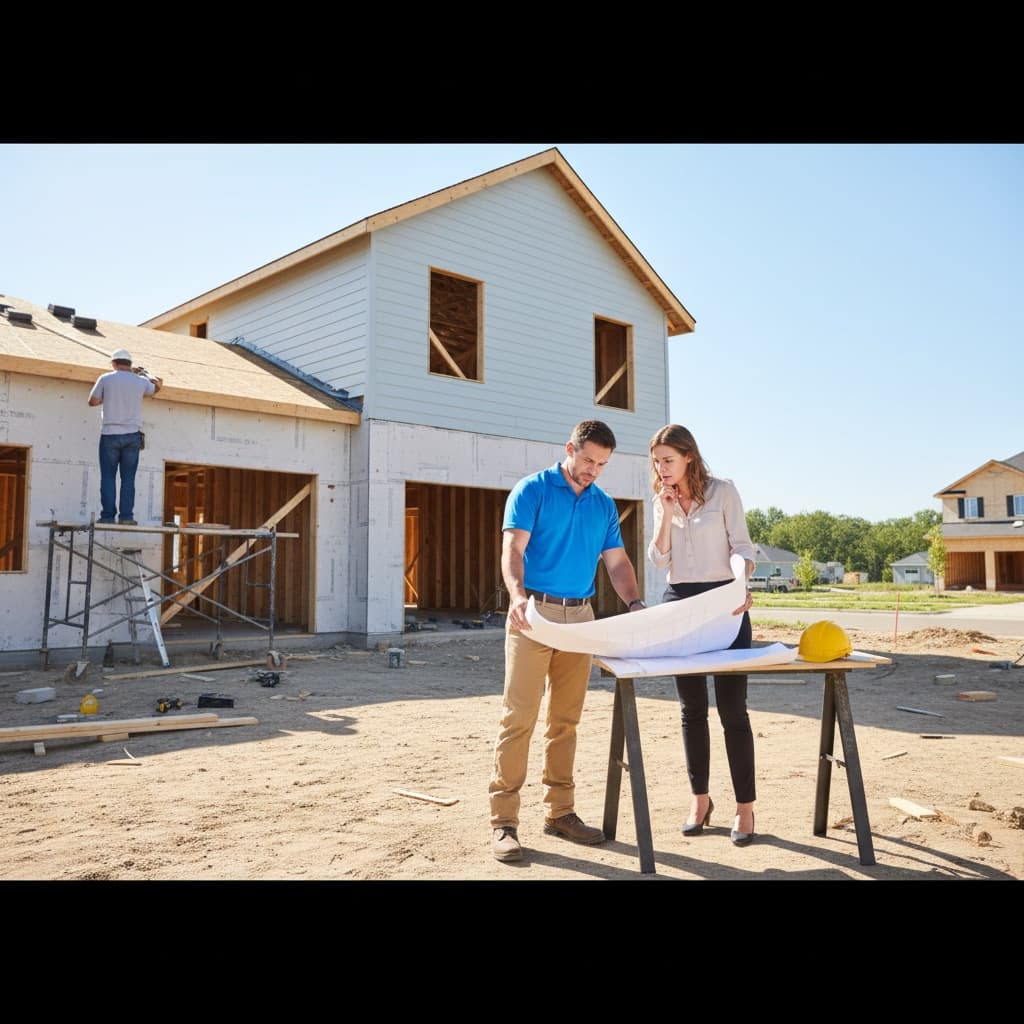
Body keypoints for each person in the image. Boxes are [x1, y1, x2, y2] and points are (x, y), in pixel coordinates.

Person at [489, 420, 647, 863]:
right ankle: (504, 822)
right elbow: (513, 550)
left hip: (581, 616)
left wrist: (634, 603)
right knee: (518, 717)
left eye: (602, 464)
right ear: (570, 449)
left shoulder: (603, 505)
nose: (593, 470)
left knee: (566, 721)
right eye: (588, 460)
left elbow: (616, 562)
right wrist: (517, 597)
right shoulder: (532, 490)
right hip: (533, 613)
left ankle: (560, 812)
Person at [647, 424, 758, 847]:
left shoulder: (724, 491)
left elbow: (743, 549)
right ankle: (700, 800)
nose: (662, 468)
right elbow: (659, 559)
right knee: (691, 709)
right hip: (680, 602)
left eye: (668, 460)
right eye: (657, 461)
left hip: (725, 601)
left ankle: (745, 808)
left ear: (689, 456)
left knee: (733, 710)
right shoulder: (664, 500)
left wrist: (738, 585)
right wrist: (668, 512)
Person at [87, 349, 162, 526]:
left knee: (108, 477)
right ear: (130, 365)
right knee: (128, 478)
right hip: (132, 437)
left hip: (110, 435)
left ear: (114, 363)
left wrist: (109, 399)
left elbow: (92, 401)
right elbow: (158, 385)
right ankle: (126, 517)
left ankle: (107, 517)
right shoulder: (141, 381)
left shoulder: (106, 378)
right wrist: (145, 373)